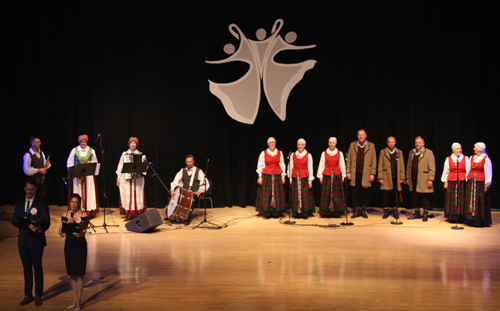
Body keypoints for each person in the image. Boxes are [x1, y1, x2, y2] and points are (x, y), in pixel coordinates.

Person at [11, 179, 51, 307]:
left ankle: (38, 294)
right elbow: (14, 220)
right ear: (24, 188)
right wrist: (22, 221)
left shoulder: (41, 202)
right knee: (26, 268)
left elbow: (47, 221)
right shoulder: (19, 203)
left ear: (35, 190)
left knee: (37, 267)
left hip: (36, 240)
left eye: (32, 189)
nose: (29, 191)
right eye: (27, 189)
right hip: (23, 240)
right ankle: (28, 294)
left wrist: (39, 228)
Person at [59, 193, 88, 311]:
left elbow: (84, 231)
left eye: (76, 202)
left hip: (80, 245)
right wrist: (68, 223)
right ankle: (74, 299)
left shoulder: (83, 214)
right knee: (72, 273)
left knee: (80, 273)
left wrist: (79, 234)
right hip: (69, 245)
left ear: (79, 204)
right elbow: (60, 232)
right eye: (72, 202)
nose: (73, 204)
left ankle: (79, 301)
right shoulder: (65, 215)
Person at [169, 155, 209, 225]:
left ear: (193, 161)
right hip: (184, 192)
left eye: (190, 161)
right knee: (173, 194)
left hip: (194, 193)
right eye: (187, 162)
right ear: (185, 162)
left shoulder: (199, 171)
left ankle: (187, 217)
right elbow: (175, 181)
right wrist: (172, 189)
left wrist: (200, 191)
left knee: (189, 200)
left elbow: (205, 183)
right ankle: (171, 213)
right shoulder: (182, 170)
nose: (189, 163)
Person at [67, 134, 99, 217]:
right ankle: (78, 210)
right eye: (81, 141)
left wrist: (90, 163)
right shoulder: (74, 150)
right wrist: (74, 169)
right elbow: (69, 162)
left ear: (87, 142)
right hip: (78, 175)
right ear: (79, 141)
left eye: (85, 141)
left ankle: (88, 211)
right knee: (78, 192)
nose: (83, 143)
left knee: (88, 192)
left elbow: (95, 163)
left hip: (88, 176)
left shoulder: (91, 151)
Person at [346, 129, 377, 218]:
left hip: (366, 173)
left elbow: (374, 160)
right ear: (357, 136)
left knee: (365, 192)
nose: (361, 136)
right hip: (355, 172)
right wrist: (348, 171)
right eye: (359, 135)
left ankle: (363, 209)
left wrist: (372, 173)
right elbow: (349, 159)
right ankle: (356, 210)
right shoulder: (353, 145)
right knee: (355, 192)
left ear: (366, 136)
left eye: (362, 135)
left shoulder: (371, 145)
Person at [116, 137, 147, 221]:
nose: (133, 144)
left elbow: (145, 166)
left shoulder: (140, 154)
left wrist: (143, 170)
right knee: (127, 194)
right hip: (126, 178)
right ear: (129, 144)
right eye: (131, 143)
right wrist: (118, 178)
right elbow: (120, 165)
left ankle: (137, 212)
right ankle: (129, 213)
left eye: (134, 143)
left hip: (137, 178)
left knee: (137, 193)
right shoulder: (125, 154)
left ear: (137, 145)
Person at [406, 136, 435, 222]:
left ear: (423, 143)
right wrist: (408, 177)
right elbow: (408, 166)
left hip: (424, 179)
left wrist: (430, 179)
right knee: (415, 197)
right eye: (416, 142)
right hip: (414, 179)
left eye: (419, 142)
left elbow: (432, 168)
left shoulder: (429, 153)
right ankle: (416, 213)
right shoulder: (411, 152)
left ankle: (425, 213)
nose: (417, 144)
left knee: (425, 197)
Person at [256, 137, 286, 219]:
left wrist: (283, 176)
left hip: (277, 175)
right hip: (267, 176)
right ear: (268, 144)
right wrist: (260, 176)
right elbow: (260, 165)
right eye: (270, 142)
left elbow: (282, 165)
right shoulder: (264, 153)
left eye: (273, 142)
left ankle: (276, 213)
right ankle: (267, 212)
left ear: (275, 143)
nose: (272, 144)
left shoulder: (280, 153)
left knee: (277, 194)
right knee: (267, 194)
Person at [316, 137, 346, 218]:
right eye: (330, 143)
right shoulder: (324, 153)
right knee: (327, 193)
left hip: (336, 176)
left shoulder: (340, 153)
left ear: (335, 144)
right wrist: (320, 177)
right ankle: (325, 211)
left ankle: (337, 212)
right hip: (327, 176)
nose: (331, 144)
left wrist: (343, 176)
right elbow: (321, 165)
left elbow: (342, 165)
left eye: (333, 143)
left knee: (336, 194)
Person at [464, 142, 492, 227]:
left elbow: (488, 172)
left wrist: (486, 184)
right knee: (470, 200)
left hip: (480, 183)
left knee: (479, 201)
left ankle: (479, 221)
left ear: (479, 149)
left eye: (475, 147)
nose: (473, 149)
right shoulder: (472, 157)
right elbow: (468, 169)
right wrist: (467, 178)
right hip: (471, 181)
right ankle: (470, 220)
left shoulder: (486, 159)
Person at [441, 143, 470, 222]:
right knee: (452, 199)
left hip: (462, 182)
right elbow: (445, 171)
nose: (459, 150)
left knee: (461, 198)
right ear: (453, 150)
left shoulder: (465, 158)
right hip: (452, 181)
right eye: (457, 149)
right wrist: (445, 182)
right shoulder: (449, 159)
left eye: (460, 148)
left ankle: (461, 216)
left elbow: (468, 171)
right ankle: (452, 216)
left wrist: (467, 181)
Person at [377, 136, 405, 219]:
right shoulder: (383, 152)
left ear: (395, 142)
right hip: (386, 177)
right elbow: (380, 165)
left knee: (395, 195)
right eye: (389, 142)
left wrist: (402, 176)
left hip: (396, 177)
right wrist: (380, 177)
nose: (391, 144)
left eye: (392, 142)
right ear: (387, 143)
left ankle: (395, 212)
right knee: (386, 195)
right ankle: (386, 212)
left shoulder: (399, 152)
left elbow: (402, 165)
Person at [288, 138, 314, 219]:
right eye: (299, 144)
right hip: (296, 177)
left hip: (304, 177)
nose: (300, 146)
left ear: (304, 145)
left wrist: (310, 180)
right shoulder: (293, 155)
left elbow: (310, 168)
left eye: (302, 145)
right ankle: (296, 213)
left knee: (304, 195)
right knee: (295, 195)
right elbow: (290, 167)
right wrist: (290, 179)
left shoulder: (308, 155)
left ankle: (305, 213)